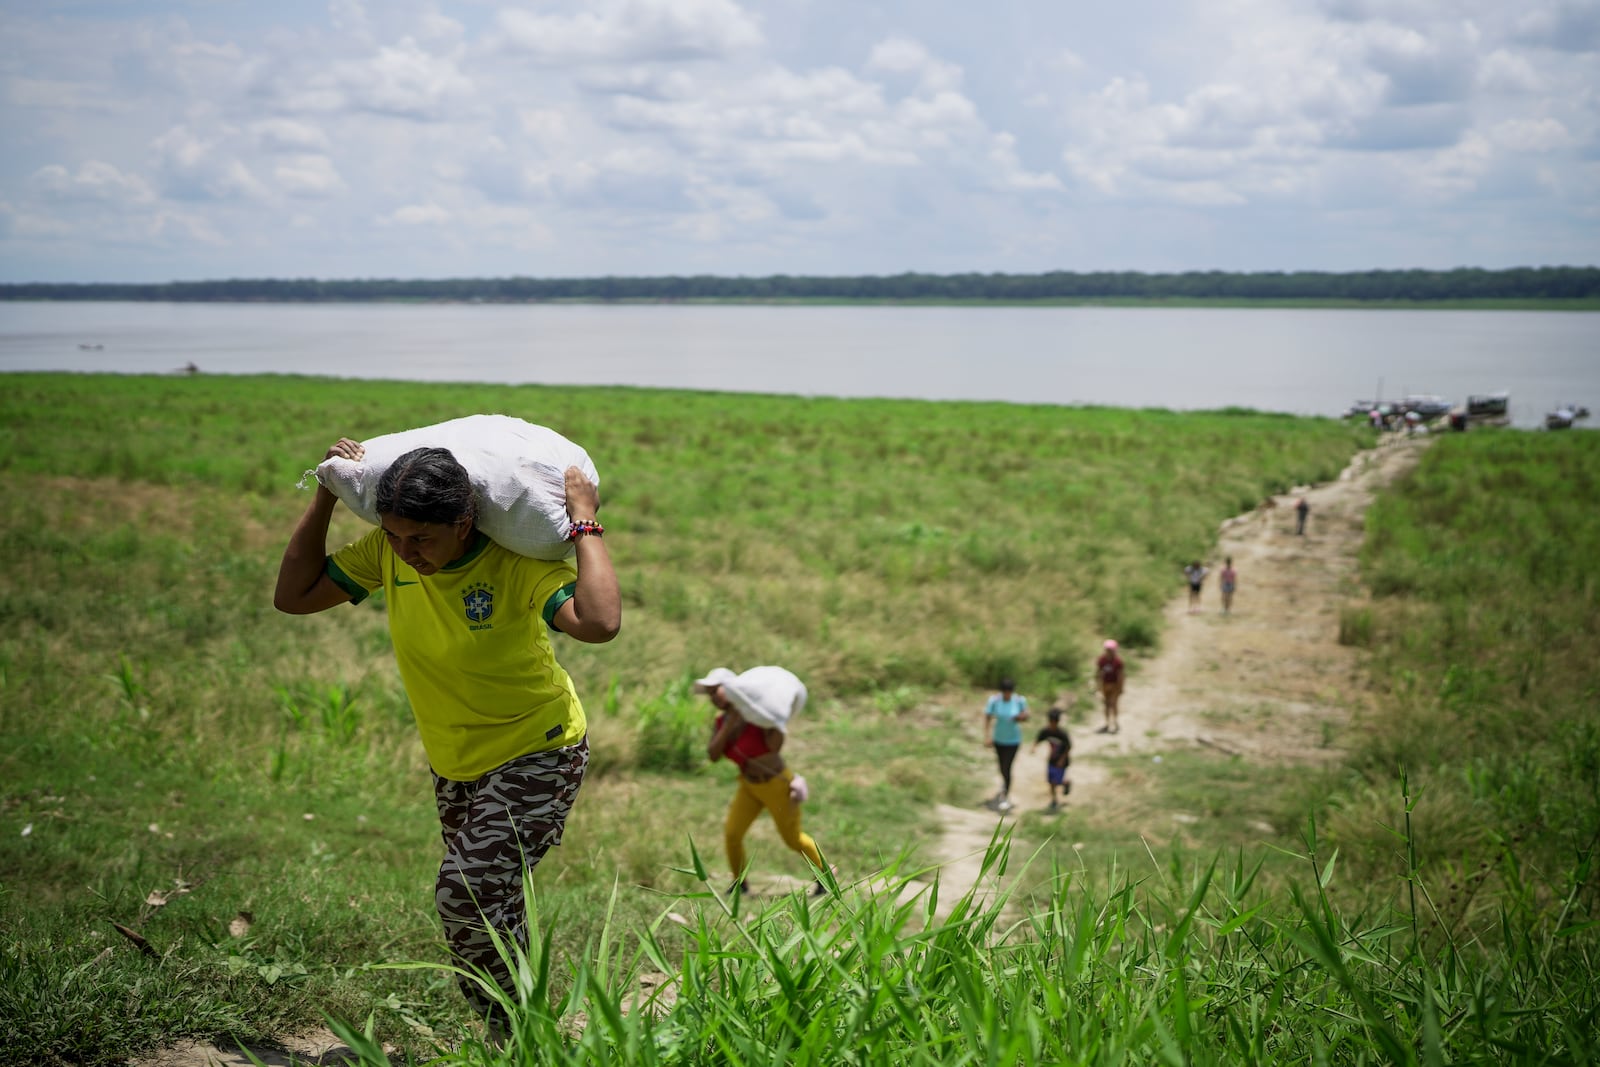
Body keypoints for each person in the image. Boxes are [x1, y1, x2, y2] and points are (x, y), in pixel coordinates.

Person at [274, 439, 620, 1032]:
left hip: (539, 748)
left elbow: (599, 623)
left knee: (465, 893)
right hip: (456, 761)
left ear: (463, 523)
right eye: (395, 537)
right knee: (493, 904)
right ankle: (525, 1031)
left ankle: (511, 1033)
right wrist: (325, 497)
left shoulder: (517, 565)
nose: (407, 554)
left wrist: (585, 522)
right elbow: (294, 597)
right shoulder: (388, 554)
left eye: (422, 540)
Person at [698, 666, 829, 897]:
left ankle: (826, 875)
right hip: (749, 786)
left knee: (792, 839)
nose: (712, 698)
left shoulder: (759, 717)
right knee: (732, 834)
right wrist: (729, 725)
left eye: (715, 691)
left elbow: (774, 747)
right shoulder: (722, 723)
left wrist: (758, 720)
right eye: (708, 693)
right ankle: (740, 883)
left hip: (776, 785)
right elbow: (713, 755)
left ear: (730, 689)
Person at [983, 678, 1029, 811]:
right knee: (1002, 766)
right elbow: (988, 716)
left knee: (1007, 766)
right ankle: (1004, 786)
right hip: (999, 739)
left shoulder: (1019, 700)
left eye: (1009, 692)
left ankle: (1005, 794)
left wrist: (1020, 717)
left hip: (1013, 740)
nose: (1007, 695)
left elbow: (1026, 715)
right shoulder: (995, 701)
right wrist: (987, 736)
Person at [1031, 708, 1072, 811]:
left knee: (1056, 781)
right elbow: (1039, 738)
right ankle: (1054, 800)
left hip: (1062, 762)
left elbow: (1068, 747)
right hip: (1051, 760)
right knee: (1051, 782)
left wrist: (1062, 760)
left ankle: (1066, 783)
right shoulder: (1046, 731)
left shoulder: (1062, 734)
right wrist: (1034, 747)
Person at [1095, 640, 1124, 734]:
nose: (1108, 651)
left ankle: (1115, 722)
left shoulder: (1118, 662)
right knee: (1106, 705)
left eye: (1110, 650)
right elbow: (1099, 673)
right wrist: (1099, 687)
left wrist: (1120, 688)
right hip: (1105, 685)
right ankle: (1107, 723)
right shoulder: (1102, 660)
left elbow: (1121, 676)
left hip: (1115, 686)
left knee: (1113, 704)